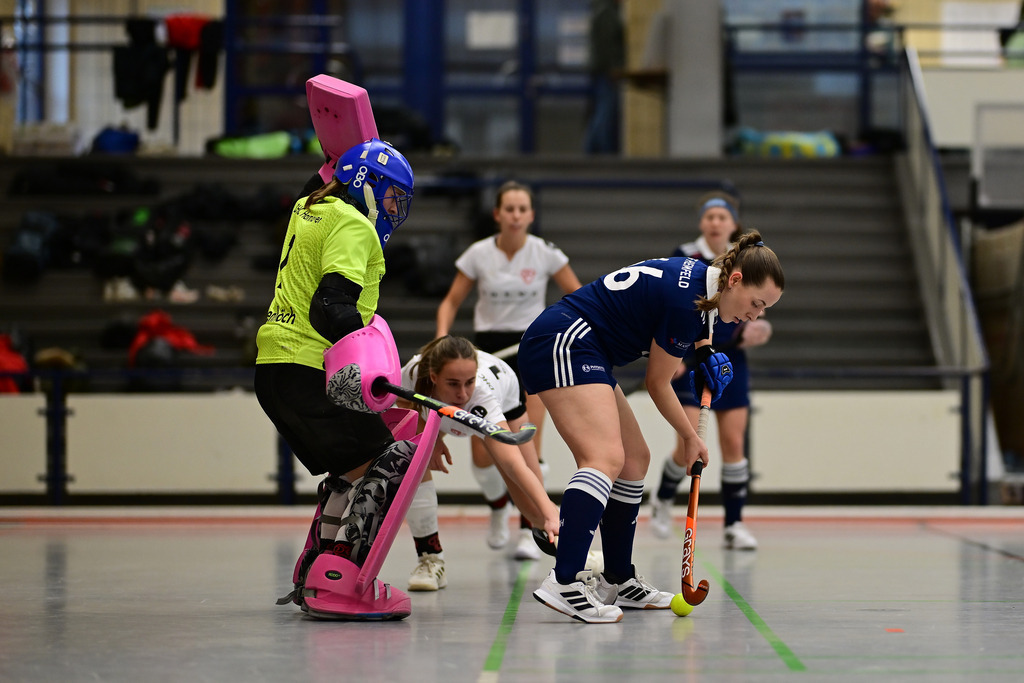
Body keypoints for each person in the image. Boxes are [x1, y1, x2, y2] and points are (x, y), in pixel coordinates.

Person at [518, 231, 784, 623]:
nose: (756, 314)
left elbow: (701, 326)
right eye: (757, 304)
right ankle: (565, 580)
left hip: (587, 347)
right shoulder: (686, 302)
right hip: (564, 340)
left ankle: (618, 578)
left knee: (634, 460)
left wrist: (705, 353)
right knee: (604, 457)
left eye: (765, 310)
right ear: (736, 280)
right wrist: (691, 438)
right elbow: (658, 383)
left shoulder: (706, 283)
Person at [254, 137, 416, 619]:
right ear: (368, 186)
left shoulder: (308, 208)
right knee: (390, 463)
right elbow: (330, 305)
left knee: (351, 472)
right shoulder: (353, 225)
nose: (394, 207)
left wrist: (344, 149)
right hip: (307, 366)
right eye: (392, 195)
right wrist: (374, 365)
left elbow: (323, 177)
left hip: (274, 368)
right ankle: (343, 583)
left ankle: (316, 570)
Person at [435, 181, 582, 558]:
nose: (516, 215)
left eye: (523, 209)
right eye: (509, 209)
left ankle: (528, 529)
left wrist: (559, 329)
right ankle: (498, 508)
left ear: (531, 215)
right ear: (497, 214)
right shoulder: (478, 254)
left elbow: (579, 298)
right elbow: (450, 302)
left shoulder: (546, 253)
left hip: (531, 352)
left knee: (527, 444)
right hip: (487, 357)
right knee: (484, 455)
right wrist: (441, 338)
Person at [649, 193, 773, 550]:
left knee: (733, 443)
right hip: (690, 359)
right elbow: (678, 307)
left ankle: (734, 523)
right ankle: (663, 499)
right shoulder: (686, 255)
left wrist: (759, 330)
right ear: (702, 222)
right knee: (686, 441)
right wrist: (677, 359)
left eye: (723, 217)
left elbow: (757, 307)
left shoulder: (749, 261)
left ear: (733, 223)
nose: (716, 222)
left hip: (730, 360)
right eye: (710, 217)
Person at [397, 336, 561, 591]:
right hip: (440, 408)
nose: (462, 393)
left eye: (469, 382)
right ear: (433, 377)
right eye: (453, 384)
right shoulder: (413, 372)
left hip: (505, 398)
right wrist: (430, 436)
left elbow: (514, 465)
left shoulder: (482, 398)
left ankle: (577, 558)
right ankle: (430, 558)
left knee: (534, 508)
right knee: (411, 458)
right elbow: (405, 403)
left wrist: (550, 513)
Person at [584, 0, 625, 154]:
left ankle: (592, 153)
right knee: (605, 117)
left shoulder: (601, 9)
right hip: (607, 72)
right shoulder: (607, 12)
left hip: (603, 71)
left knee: (601, 116)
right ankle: (602, 157)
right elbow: (608, 44)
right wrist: (613, 67)